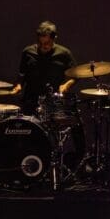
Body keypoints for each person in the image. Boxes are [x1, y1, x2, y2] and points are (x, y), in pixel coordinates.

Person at [11, 21, 86, 167]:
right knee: (27, 130)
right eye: (42, 43)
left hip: (54, 101)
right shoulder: (28, 52)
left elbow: (76, 74)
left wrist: (66, 84)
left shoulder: (64, 53)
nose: (45, 46)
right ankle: (29, 162)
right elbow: (22, 74)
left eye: (48, 43)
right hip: (31, 99)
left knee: (75, 123)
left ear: (54, 39)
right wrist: (19, 85)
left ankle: (79, 161)